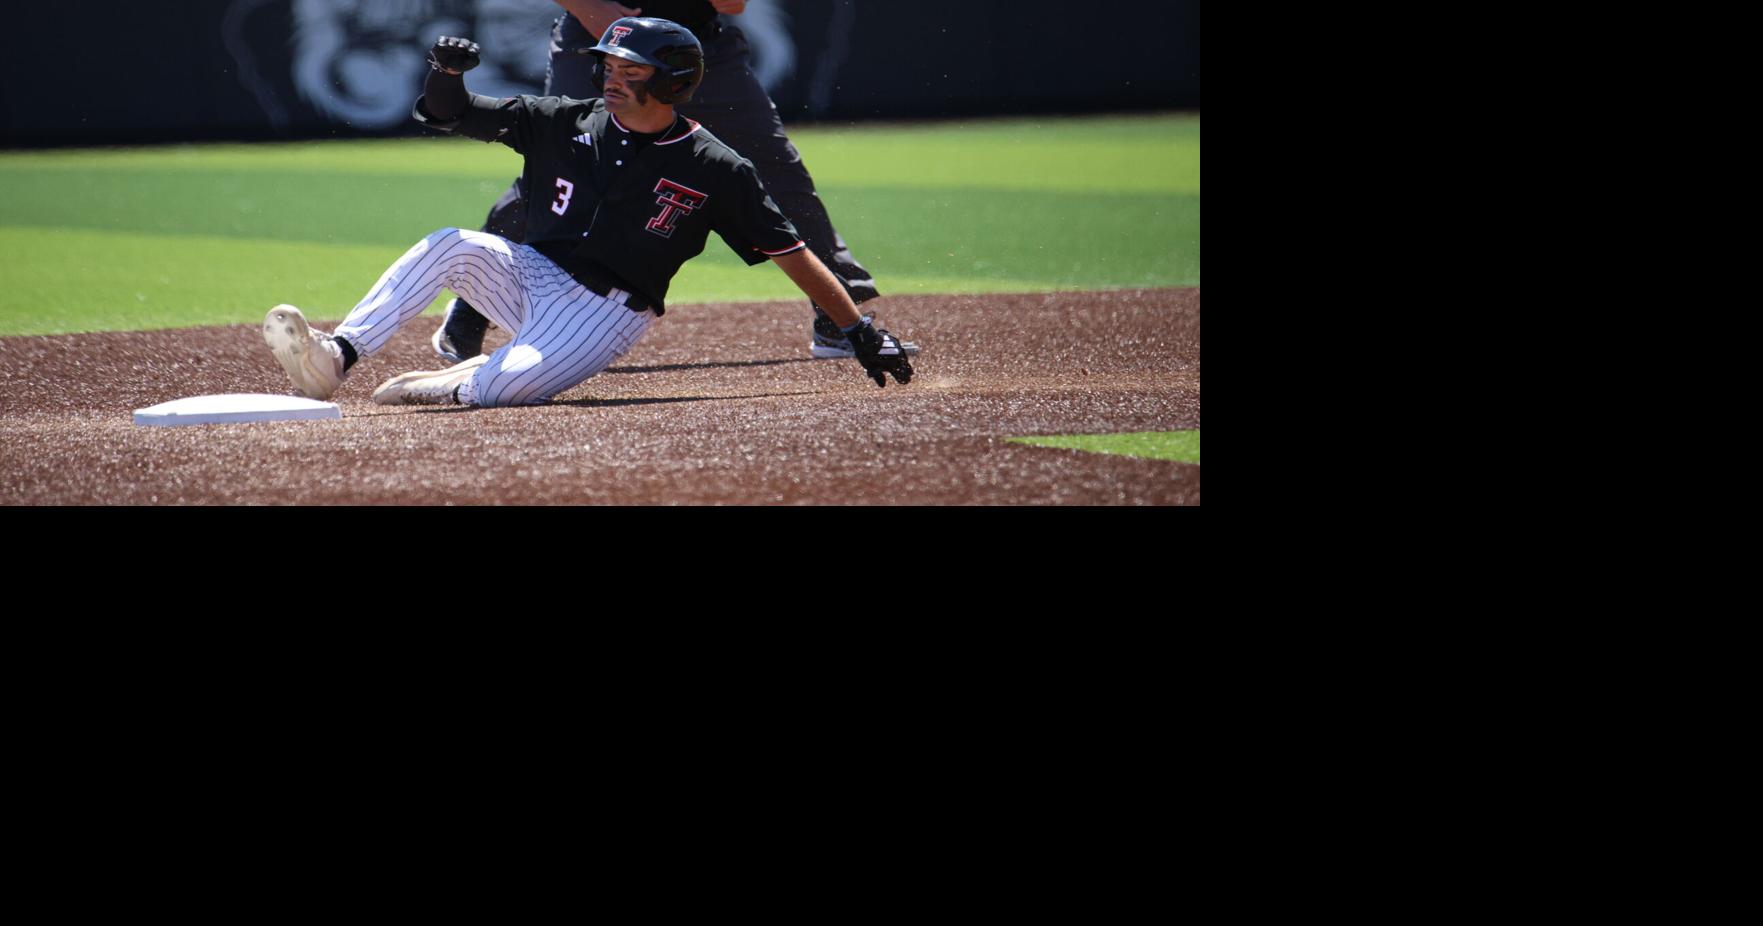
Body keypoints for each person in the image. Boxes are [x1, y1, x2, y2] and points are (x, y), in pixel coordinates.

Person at [262, 22, 912, 409]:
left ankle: (454, 381)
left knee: (500, 393)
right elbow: (448, 114)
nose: (609, 76)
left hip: (604, 314)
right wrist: (444, 73)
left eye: (629, 69)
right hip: (532, 277)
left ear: (670, 82)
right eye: (608, 64)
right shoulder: (564, 120)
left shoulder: (717, 167)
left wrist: (857, 332)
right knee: (450, 243)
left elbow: (791, 253)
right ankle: (337, 354)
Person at [431, 0, 918, 365]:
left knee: (778, 170)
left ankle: (840, 316)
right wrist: (618, 35)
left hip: (698, 48)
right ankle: (473, 310)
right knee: (566, 165)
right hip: (601, 41)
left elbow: (733, 3)